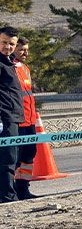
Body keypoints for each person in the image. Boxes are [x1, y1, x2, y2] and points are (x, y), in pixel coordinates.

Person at [11, 37, 40, 198]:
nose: (26, 53)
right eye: (22, 49)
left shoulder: (25, 68)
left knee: (29, 154)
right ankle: (11, 189)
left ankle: (23, 189)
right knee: (15, 157)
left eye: (27, 49)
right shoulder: (9, 67)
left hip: (29, 121)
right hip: (17, 121)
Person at [0, 28, 24, 203]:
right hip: (4, 118)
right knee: (7, 159)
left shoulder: (9, 62)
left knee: (12, 158)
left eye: (11, 44)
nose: (7, 47)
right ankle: (7, 196)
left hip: (13, 117)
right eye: (4, 42)